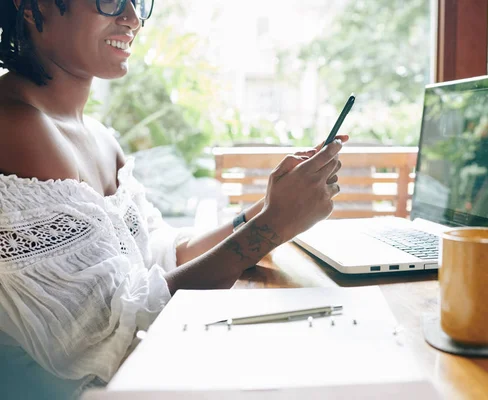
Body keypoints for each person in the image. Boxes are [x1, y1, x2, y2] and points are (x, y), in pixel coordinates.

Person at [0, 0, 347, 397]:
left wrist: (272, 206)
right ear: (32, 8)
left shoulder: (98, 135)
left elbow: (165, 254)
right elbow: (106, 337)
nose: (132, 18)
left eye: (138, 2)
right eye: (110, 0)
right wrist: (271, 227)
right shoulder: (16, 127)